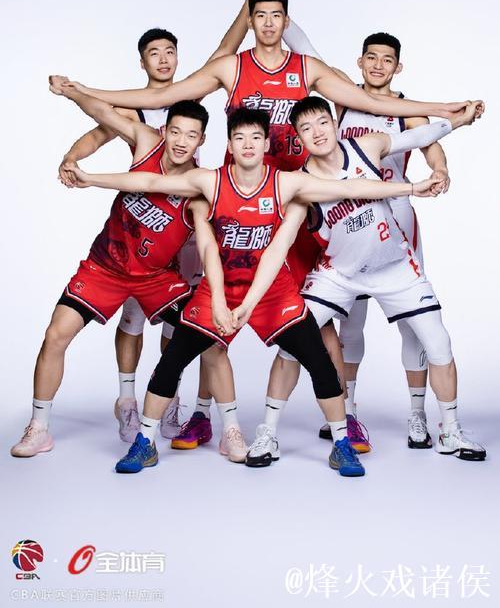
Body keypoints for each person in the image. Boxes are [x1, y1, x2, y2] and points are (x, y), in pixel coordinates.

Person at [66, 105, 440, 476]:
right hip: (220, 286)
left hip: (270, 289)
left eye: (256, 137)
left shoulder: (285, 183)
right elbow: (150, 184)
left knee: (318, 359)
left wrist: (412, 187)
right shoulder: (210, 181)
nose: (248, 144)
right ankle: (145, 441)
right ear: (229, 145)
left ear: (265, 144)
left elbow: (349, 188)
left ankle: (342, 444)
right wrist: (89, 178)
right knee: (173, 359)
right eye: (240, 138)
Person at [57, 0, 262, 445]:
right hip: (143, 218)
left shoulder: (187, 93)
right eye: (155, 53)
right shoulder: (134, 107)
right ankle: (129, 400)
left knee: (184, 311)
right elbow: (97, 132)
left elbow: (225, 51)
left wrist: (249, 6)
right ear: (142, 62)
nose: (164, 59)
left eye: (170, 52)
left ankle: (172, 402)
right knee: (131, 314)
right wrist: (72, 157)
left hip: (188, 217)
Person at [239, 96, 485, 467]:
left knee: (438, 343)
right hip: (339, 274)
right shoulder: (303, 185)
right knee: (292, 343)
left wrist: (460, 121)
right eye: (306, 129)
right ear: (298, 139)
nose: (317, 133)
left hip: (395, 267)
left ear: (334, 123)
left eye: (322, 123)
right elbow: (281, 244)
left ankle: (450, 430)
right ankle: (267, 434)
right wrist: (249, 300)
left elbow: (417, 137)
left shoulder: (366, 146)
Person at [10, 97, 241, 458]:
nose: (181, 141)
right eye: (176, 132)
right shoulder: (146, 143)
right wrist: (75, 92)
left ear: (202, 140)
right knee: (55, 335)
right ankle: (38, 427)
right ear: (164, 131)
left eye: (191, 135)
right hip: (104, 268)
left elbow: (208, 245)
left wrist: (220, 300)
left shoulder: (198, 186)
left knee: (209, 340)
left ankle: (230, 430)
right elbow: (103, 113)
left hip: (156, 277)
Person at [280, 24, 453, 450]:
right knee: (349, 320)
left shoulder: (406, 109)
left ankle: (417, 416)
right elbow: (307, 49)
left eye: (387, 59)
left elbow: (430, 144)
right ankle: (348, 411)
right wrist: (279, 14)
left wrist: (441, 170)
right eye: (371, 58)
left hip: (395, 214)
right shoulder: (342, 97)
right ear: (360, 62)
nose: (378, 65)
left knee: (414, 323)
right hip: (346, 219)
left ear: (398, 67)